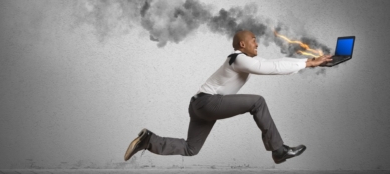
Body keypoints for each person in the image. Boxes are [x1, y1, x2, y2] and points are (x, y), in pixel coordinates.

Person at [124, 30, 332, 164]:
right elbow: (271, 66)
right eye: (253, 41)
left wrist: (309, 61)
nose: (257, 44)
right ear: (242, 45)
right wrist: (308, 63)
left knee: (191, 148)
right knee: (257, 102)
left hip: (198, 105)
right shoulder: (239, 58)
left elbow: (270, 62)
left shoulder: (239, 60)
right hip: (207, 102)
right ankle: (278, 150)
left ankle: (148, 140)